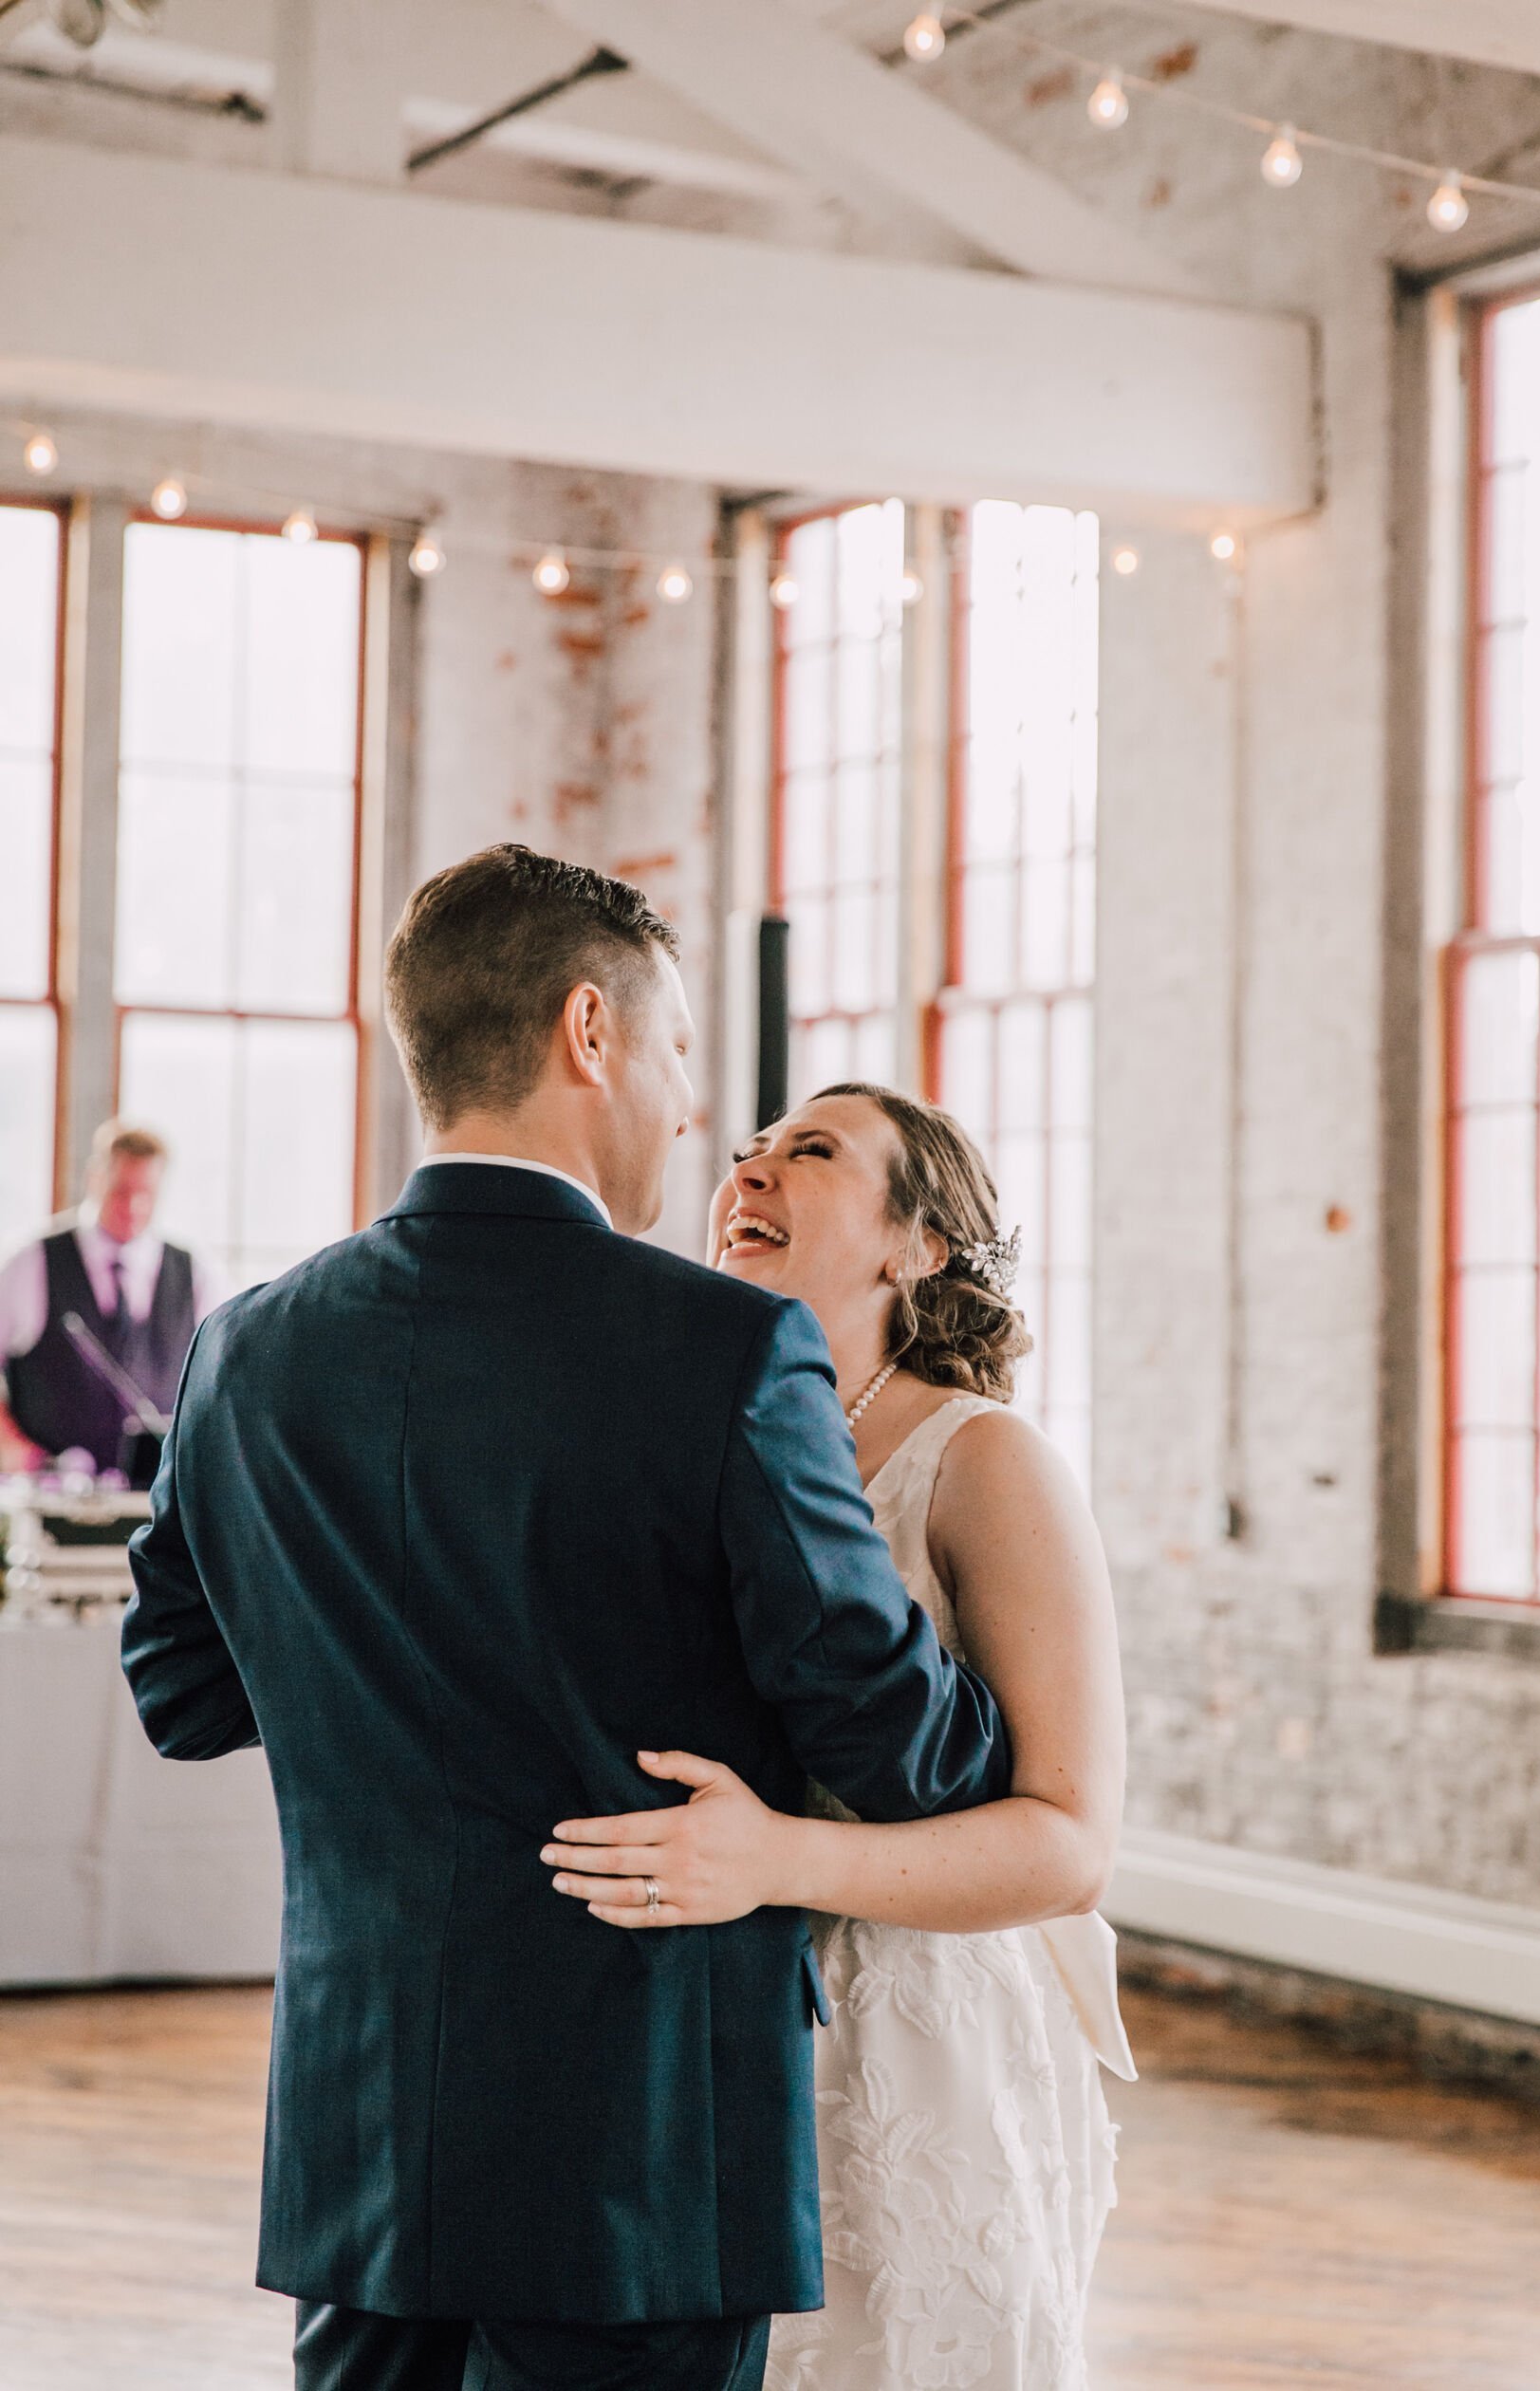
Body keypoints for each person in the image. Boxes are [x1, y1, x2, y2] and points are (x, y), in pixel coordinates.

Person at [119, 846, 1011, 2391]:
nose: (685, 1110)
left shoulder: (242, 1350)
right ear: (590, 1033)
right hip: (641, 2155)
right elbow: (900, 1749)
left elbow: (182, 1692)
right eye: (676, 1055)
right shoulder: (727, 1353)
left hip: (361, 2138)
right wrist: (1000, 1679)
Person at [540, 1084, 1133, 2391]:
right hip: (698, 2026)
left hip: (918, 2042)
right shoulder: (672, 1431)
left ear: (914, 1246)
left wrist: (774, 1863)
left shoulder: (985, 1462)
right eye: (746, 1152)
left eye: (809, 1154)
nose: (749, 1172)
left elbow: (1070, 1843)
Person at [0, 1121, 225, 1482]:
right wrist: (16, 1451)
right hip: (49, 1497)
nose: (133, 1205)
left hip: (157, 1502)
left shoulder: (195, 1273)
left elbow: (221, 1382)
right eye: (121, 1190)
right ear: (94, 1178)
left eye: (147, 1193)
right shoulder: (31, 1263)